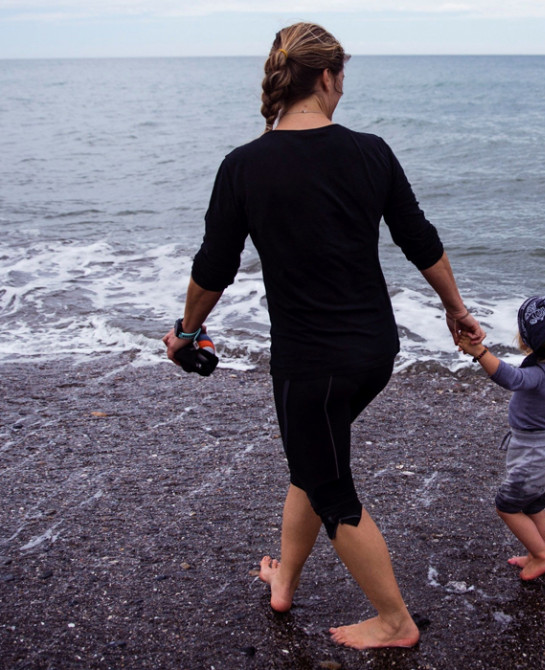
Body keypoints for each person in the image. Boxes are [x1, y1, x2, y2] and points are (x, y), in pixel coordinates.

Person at [162, 22, 484, 650]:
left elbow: (213, 267)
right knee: (312, 460)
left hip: (311, 364)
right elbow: (420, 239)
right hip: (374, 351)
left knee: (329, 481)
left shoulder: (244, 165)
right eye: (343, 79)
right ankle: (285, 581)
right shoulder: (372, 150)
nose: (343, 91)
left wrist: (186, 331)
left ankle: (396, 621)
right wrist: (456, 310)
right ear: (328, 77)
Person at [458, 296, 545, 580]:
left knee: (507, 506)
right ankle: (536, 552)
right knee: (535, 506)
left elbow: (510, 378)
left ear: (526, 339)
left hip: (538, 455)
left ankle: (541, 555)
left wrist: (479, 352)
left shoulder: (537, 374)